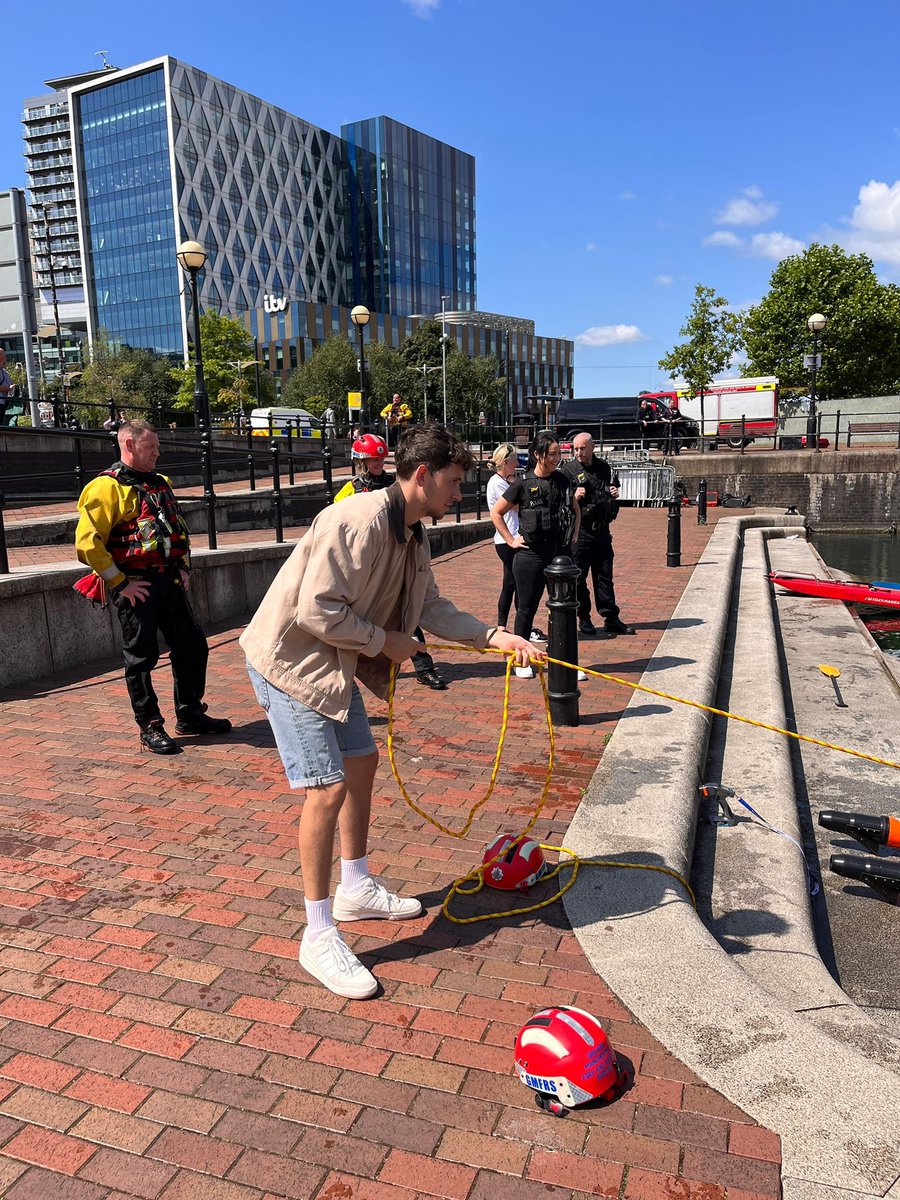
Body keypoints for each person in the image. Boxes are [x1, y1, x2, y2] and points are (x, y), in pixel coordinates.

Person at [240, 421, 541, 998]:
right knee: (325, 789)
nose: (460, 495)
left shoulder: (413, 532)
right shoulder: (353, 520)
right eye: (454, 483)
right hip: (291, 663)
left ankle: (354, 888)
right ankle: (318, 933)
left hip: (335, 662)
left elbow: (431, 606)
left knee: (361, 763)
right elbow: (314, 613)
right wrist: (386, 643)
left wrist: (496, 637)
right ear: (422, 476)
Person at [74, 420, 232, 755]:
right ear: (129, 445)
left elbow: (178, 529)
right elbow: (88, 545)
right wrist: (121, 583)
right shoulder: (105, 488)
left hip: (169, 581)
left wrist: (184, 568)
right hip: (137, 585)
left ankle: (189, 714)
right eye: (151, 447)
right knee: (140, 658)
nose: (158, 453)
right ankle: (150, 725)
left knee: (193, 646)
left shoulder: (160, 483)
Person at [334, 432, 449, 690]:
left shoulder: (392, 483)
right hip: (369, 567)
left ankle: (425, 668)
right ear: (361, 461)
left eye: (380, 459)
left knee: (410, 618)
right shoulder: (351, 488)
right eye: (373, 460)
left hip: (397, 559)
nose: (378, 464)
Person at [490, 431, 585, 680]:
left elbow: (574, 507)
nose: (557, 458)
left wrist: (574, 534)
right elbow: (496, 513)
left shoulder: (564, 480)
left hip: (560, 555)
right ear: (537, 455)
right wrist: (511, 540)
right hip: (530, 555)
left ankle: (564, 663)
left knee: (563, 610)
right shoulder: (522, 484)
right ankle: (520, 660)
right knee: (526, 609)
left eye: (559, 453)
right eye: (552, 454)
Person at [561, 433, 635, 638]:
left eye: (582, 448)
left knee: (604, 575)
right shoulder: (568, 471)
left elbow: (610, 489)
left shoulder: (604, 467)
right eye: (575, 449)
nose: (578, 453)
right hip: (581, 530)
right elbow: (561, 501)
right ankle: (583, 617)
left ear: (592, 447)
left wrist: (614, 491)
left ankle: (610, 617)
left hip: (602, 529)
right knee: (579, 577)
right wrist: (573, 497)